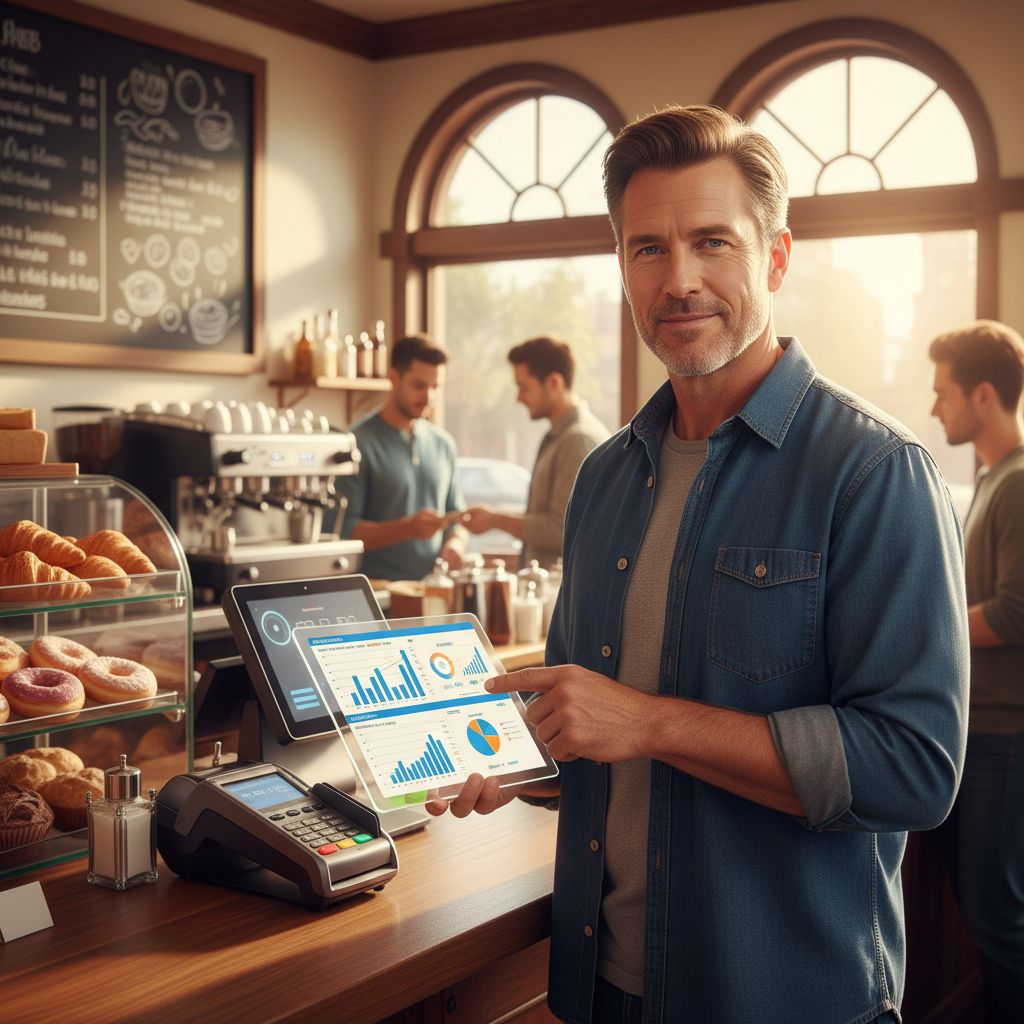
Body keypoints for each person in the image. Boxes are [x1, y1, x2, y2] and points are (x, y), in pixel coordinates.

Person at [428, 104, 969, 1024]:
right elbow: (589, 725)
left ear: (777, 257)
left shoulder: (876, 472)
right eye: (648, 249)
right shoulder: (605, 477)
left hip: (784, 1000)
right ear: (622, 265)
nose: (678, 280)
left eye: (712, 242)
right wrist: (512, 756)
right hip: (602, 989)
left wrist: (647, 723)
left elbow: (913, 768)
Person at [929, 320, 1024, 1023]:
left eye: (944, 393)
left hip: (1003, 736)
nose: (935, 408)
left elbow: (1016, 613)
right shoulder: (993, 480)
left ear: (983, 395)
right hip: (980, 731)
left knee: (997, 918)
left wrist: (928, 627)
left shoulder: (1017, 485)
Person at [462, 336, 610, 568]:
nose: (518, 397)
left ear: (554, 383)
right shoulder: (561, 436)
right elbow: (547, 515)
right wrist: (494, 517)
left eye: (524, 387)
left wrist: (496, 520)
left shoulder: (576, 440)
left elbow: (561, 528)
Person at [336, 334, 467, 581]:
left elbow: (455, 518)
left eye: (435, 388)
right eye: (419, 386)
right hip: (377, 592)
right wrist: (407, 528)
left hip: (433, 589)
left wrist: (456, 544)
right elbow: (342, 531)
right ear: (394, 378)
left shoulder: (444, 445)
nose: (428, 397)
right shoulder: (356, 443)